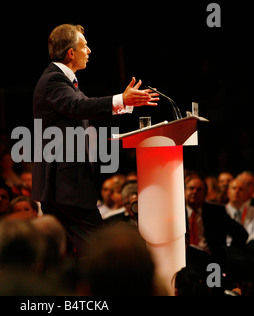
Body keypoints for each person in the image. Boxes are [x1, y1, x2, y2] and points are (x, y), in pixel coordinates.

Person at [32, 24, 159, 255]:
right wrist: (121, 98)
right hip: (65, 184)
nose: (89, 51)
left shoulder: (64, 81)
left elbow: (84, 107)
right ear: (71, 52)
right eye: (85, 46)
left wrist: (125, 103)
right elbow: (78, 107)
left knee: (59, 253)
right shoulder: (53, 79)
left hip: (60, 184)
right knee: (100, 247)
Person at [184, 175, 248, 269]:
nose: (194, 192)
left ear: (205, 195)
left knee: (215, 281)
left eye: (199, 190)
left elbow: (241, 234)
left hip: (211, 261)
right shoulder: (176, 213)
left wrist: (227, 251)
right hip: (185, 261)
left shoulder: (216, 212)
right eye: (191, 188)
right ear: (184, 192)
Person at [225, 178, 254, 246]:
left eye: (240, 189)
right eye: (234, 188)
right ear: (228, 191)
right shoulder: (221, 212)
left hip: (248, 251)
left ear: (246, 194)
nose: (237, 191)